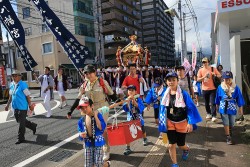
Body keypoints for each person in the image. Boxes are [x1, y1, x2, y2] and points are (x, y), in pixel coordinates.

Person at [159, 72, 202, 167]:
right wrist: (162, 127)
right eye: (169, 80)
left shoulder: (184, 94)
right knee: (171, 145)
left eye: (173, 80)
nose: (171, 82)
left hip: (182, 122)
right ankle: (175, 164)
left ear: (177, 81)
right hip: (169, 122)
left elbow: (190, 108)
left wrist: (190, 123)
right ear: (166, 82)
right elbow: (162, 110)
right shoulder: (165, 94)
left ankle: (186, 149)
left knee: (180, 144)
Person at [81, 64, 115, 161]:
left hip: (102, 107)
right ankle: (94, 149)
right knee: (90, 129)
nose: (88, 75)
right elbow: (80, 98)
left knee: (102, 129)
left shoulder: (102, 82)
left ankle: (106, 150)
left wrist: (117, 101)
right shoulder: (84, 84)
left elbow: (110, 93)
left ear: (94, 72)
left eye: (90, 73)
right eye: (86, 73)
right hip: (90, 108)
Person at [5, 70, 37, 144]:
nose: (14, 77)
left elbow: (27, 96)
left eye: (15, 75)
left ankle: (21, 138)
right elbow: (10, 96)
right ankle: (33, 126)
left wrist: (30, 105)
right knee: (19, 121)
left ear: (20, 76)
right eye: (13, 75)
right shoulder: (12, 84)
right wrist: (7, 105)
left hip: (22, 107)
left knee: (21, 124)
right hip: (15, 107)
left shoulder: (23, 85)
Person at [77, 97, 110, 167]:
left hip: (98, 142)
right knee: (88, 164)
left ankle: (107, 164)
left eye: (86, 107)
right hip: (87, 143)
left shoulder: (98, 115)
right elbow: (80, 131)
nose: (84, 109)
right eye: (82, 108)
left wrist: (95, 116)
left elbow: (101, 127)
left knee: (98, 163)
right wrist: (81, 135)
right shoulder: (81, 120)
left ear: (92, 106)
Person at [215, 71, 245, 145]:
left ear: (231, 79)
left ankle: (229, 129)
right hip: (223, 106)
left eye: (229, 79)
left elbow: (239, 98)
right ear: (223, 79)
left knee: (232, 123)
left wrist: (240, 108)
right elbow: (217, 97)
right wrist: (217, 105)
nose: (227, 81)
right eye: (225, 79)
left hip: (232, 107)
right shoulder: (220, 87)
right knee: (226, 122)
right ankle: (228, 137)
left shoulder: (236, 88)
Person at [122, 85, 148, 155]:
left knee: (142, 128)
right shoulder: (126, 99)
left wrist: (133, 100)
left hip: (138, 117)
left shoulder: (138, 99)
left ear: (135, 92)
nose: (130, 91)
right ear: (127, 92)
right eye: (129, 90)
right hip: (130, 118)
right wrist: (128, 101)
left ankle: (145, 138)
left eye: (132, 90)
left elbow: (140, 107)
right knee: (128, 133)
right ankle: (128, 147)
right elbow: (125, 109)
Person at [197, 57, 221, 122]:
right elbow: (198, 79)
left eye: (205, 62)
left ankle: (214, 115)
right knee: (206, 103)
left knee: (213, 102)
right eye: (203, 62)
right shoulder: (200, 70)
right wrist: (204, 77)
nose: (204, 63)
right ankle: (208, 113)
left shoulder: (213, 69)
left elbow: (219, 75)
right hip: (204, 89)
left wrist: (215, 74)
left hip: (213, 88)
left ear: (208, 62)